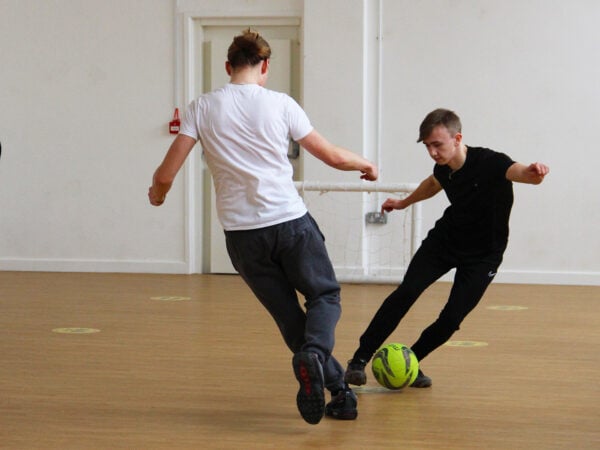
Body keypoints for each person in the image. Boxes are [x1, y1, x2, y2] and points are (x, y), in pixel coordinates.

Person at [148, 29, 378, 424]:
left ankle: (340, 393)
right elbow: (332, 156)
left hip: (242, 237)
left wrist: (158, 193)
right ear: (265, 66)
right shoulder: (281, 104)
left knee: (291, 321)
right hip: (290, 223)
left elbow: (168, 173)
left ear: (228, 66)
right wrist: (365, 164)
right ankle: (320, 363)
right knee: (324, 297)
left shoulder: (201, 107)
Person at [344, 108, 549, 388]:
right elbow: (432, 184)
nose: (432, 152)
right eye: (427, 146)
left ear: (457, 138)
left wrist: (534, 173)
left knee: (452, 318)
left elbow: (521, 173)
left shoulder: (491, 162)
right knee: (407, 292)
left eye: (437, 145)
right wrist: (403, 203)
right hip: (445, 242)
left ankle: (410, 362)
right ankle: (359, 359)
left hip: (483, 256)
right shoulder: (443, 168)